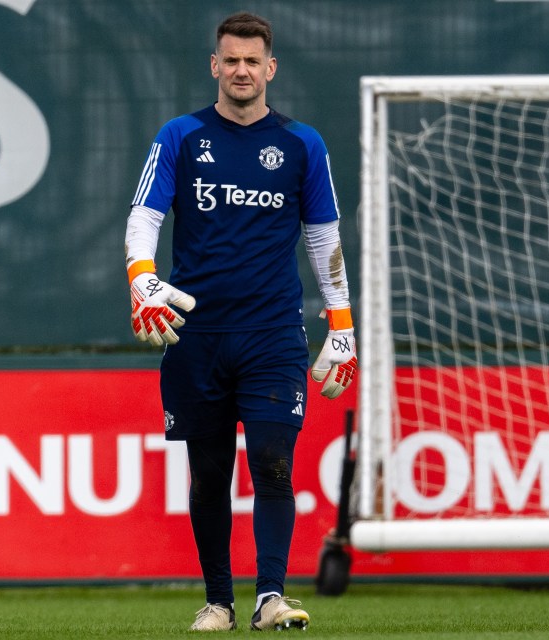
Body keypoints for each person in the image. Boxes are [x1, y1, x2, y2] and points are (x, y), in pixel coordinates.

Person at [123, 11, 357, 632]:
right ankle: (219, 602)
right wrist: (140, 279)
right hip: (195, 335)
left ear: (271, 68)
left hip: (274, 334)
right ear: (214, 66)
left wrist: (342, 326)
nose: (242, 70)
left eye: (253, 61)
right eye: (231, 60)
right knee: (207, 475)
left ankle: (271, 596)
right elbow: (144, 215)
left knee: (274, 464)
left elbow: (323, 238)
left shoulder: (303, 144)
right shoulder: (179, 135)